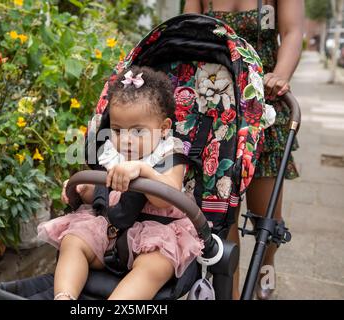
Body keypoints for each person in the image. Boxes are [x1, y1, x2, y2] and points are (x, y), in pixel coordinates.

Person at [37, 66, 205, 300]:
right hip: (108, 233)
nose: (125, 139)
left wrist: (144, 170)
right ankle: (64, 296)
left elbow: (164, 195)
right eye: (117, 130)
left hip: (157, 235)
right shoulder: (110, 154)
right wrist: (82, 189)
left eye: (138, 131)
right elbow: (100, 195)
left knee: (155, 266)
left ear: (164, 128)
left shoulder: (170, 155)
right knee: (73, 241)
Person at [183, 0, 304, 299]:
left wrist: (281, 75)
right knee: (224, 215)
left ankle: (267, 268)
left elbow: (292, 31)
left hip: (264, 103)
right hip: (217, 107)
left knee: (266, 218)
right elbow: (188, 33)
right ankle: (231, 293)